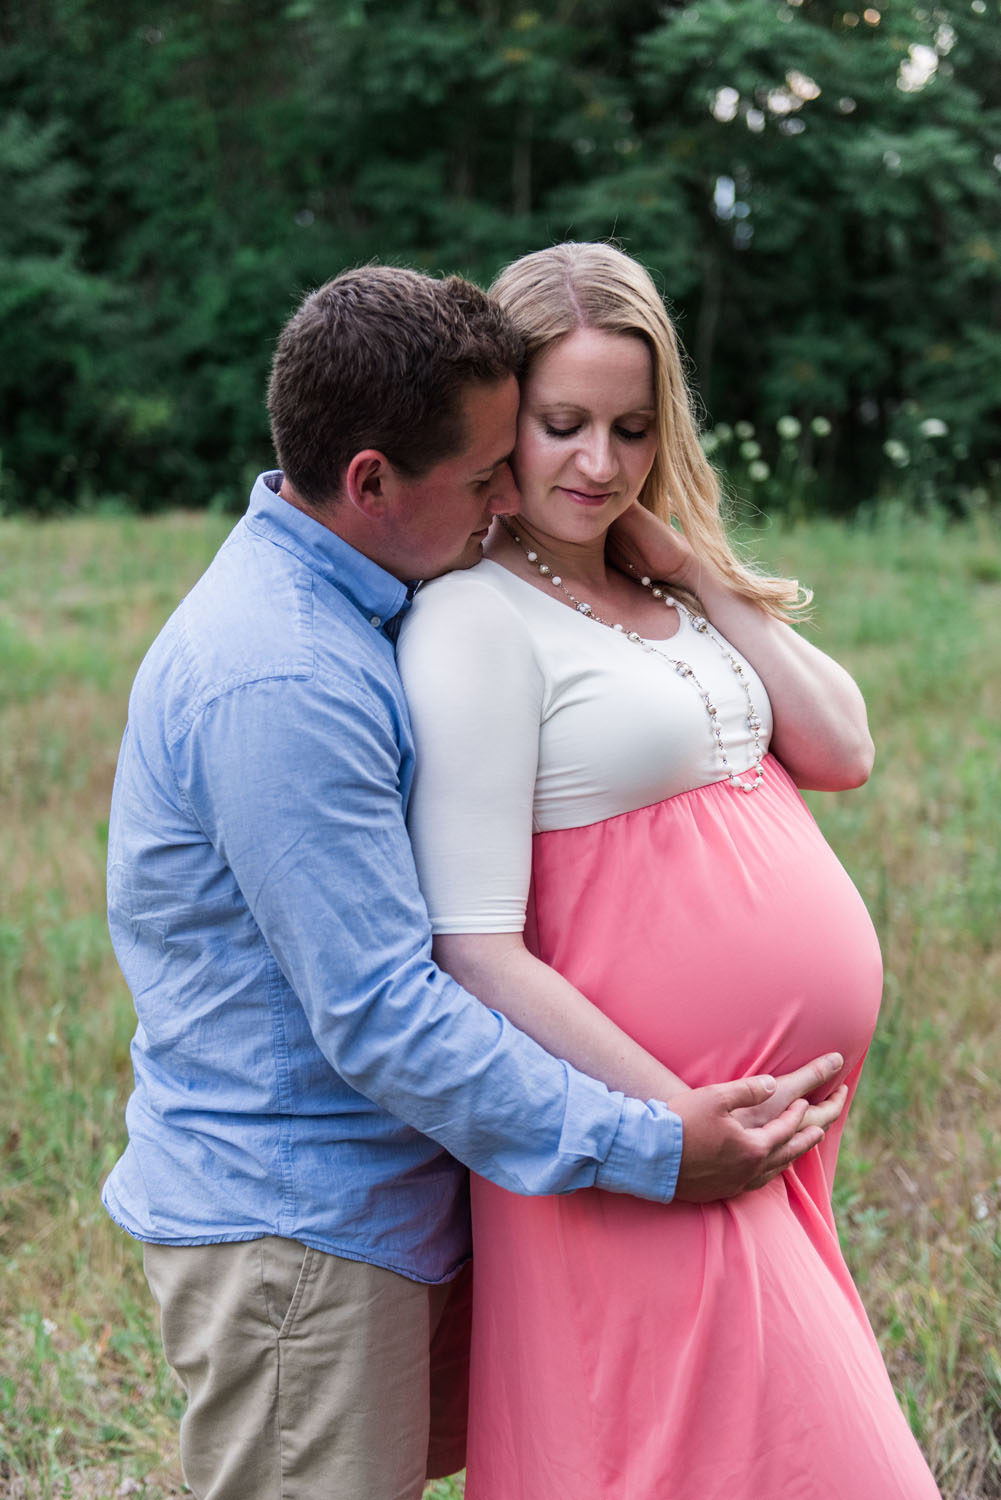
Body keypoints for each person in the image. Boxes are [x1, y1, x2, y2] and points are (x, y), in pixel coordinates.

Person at [102, 262, 849, 1500]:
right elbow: (382, 1011)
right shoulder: (281, 675)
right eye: (488, 471)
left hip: (391, 1202)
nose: (520, 494)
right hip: (302, 1229)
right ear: (370, 481)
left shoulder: (360, 603)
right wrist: (653, 1145)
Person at [396, 242, 942, 1499]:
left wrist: (693, 563)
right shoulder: (475, 617)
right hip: (648, 1143)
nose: (598, 464)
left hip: (751, 1136)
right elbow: (471, 944)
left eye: (632, 428)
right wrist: (675, 1127)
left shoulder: (661, 591)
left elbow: (842, 747)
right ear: (497, 419)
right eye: (562, 424)